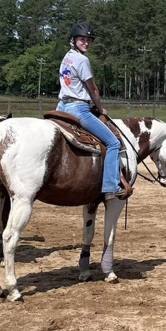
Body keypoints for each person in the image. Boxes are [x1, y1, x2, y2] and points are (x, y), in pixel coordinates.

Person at [56, 22, 130, 201]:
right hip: (78, 108)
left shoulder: (67, 57)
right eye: (83, 39)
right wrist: (99, 107)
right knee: (113, 142)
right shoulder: (82, 60)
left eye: (89, 40)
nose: (86, 43)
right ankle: (110, 186)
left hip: (61, 107)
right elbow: (93, 89)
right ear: (74, 40)